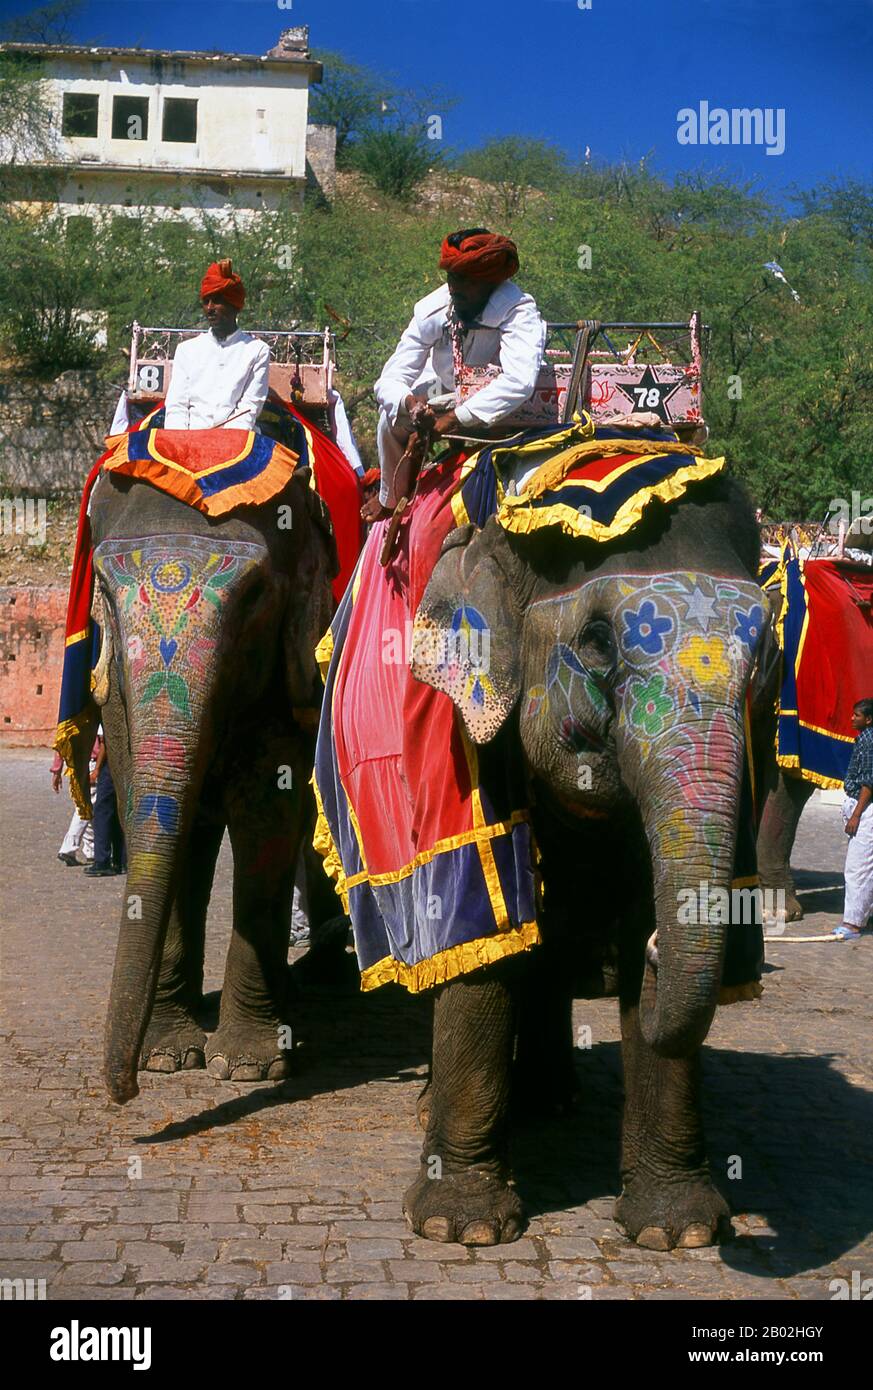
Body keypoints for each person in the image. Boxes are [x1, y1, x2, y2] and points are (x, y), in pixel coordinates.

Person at [369, 228, 546, 519]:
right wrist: (410, 405)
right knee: (389, 423)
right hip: (446, 391)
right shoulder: (432, 308)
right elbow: (390, 379)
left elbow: (518, 381)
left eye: (464, 280)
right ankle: (392, 499)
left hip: (501, 408)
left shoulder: (519, 310)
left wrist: (452, 421)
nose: (454, 287)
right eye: (451, 277)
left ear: (490, 282)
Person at [163, 259, 270, 432]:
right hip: (187, 440)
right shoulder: (187, 350)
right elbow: (177, 405)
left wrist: (221, 446)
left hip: (237, 439)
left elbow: (249, 407)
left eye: (218, 301)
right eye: (206, 301)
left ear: (235, 306)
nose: (210, 308)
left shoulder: (257, 350)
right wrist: (180, 442)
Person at [835, 697, 873, 940]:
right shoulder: (864, 740)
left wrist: (856, 815)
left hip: (866, 810)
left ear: (868, 719)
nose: (851, 718)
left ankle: (853, 924)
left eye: (856, 715)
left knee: (857, 868)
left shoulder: (869, 742)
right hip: (861, 807)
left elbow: (869, 781)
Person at [84, 729, 126, 878]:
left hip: (110, 765)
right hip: (125, 762)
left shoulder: (107, 711)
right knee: (118, 810)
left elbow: (105, 744)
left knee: (102, 811)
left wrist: (96, 769)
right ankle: (121, 861)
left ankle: (102, 860)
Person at [52, 742, 97, 866]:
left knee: (90, 806)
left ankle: (91, 850)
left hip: (78, 764)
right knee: (85, 806)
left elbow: (61, 742)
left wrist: (57, 769)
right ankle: (68, 848)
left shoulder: (70, 723)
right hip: (93, 763)